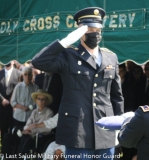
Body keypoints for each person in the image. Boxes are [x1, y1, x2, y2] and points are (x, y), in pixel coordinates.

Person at [32, 7, 124, 160]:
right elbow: (38, 62)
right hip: (78, 133)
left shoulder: (111, 57)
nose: (95, 32)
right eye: (89, 29)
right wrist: (66, 41)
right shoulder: (68, 56)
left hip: (106, 134)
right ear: (80, 31)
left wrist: (119, 128)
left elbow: (116, 96)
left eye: (97, 28)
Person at [17, 89, 54, 155]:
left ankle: (19, 158)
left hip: (39, 139)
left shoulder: (49, 112)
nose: (40, 101)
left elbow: (48, 128)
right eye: (39, 99)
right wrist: (26, 129)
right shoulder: (34, 112)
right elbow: (28, 123)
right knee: (8, 136)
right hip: (29, 135)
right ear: (36, 100)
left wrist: (32, 130)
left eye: (43, 99)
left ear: (46, 101)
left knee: (26, 140)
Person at [0, 61, 22, 145]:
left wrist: (12, 101)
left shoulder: (19, 73)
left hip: (15, 108)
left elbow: (20, 90)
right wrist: (2, 99)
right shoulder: (0, 73)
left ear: (13, 61)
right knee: (3, 130)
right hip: (2, 108)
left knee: (14, 130)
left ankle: (14, 151)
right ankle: (5, 153)